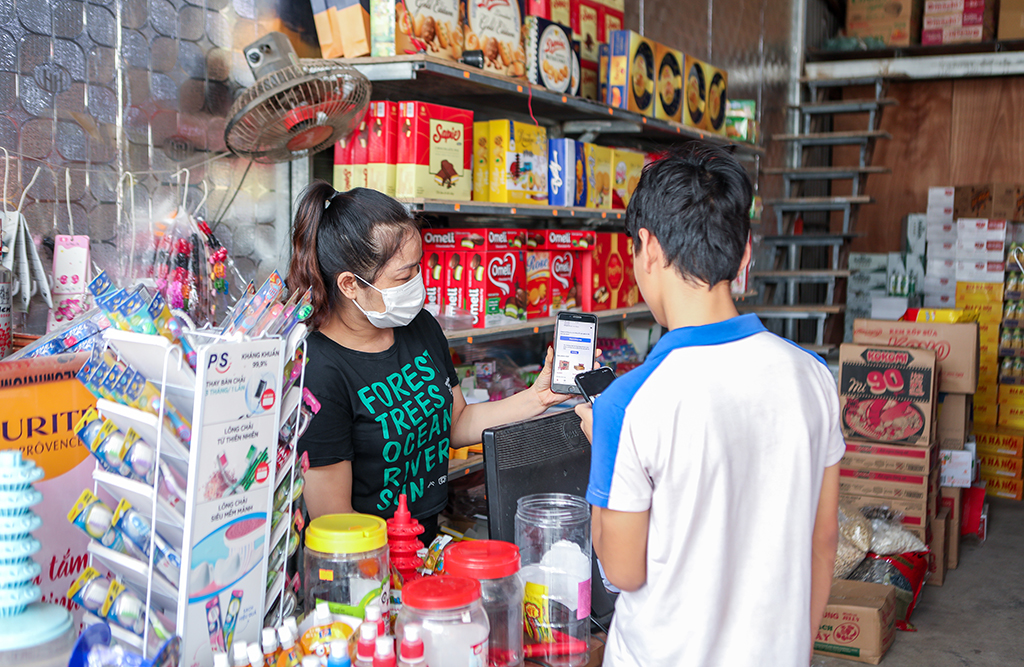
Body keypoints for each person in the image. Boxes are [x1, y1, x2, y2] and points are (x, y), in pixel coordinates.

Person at [574, 146, 843, 666]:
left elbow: (624, 571)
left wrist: (603, 452)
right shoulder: (813, 377)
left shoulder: (628, 403)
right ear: (744, 254)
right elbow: (824, 540)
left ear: (647, 247)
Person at [289, 183, 570, 543]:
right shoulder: (319, 369)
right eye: (403, 277)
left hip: (427, 539)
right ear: (349, 285)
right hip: (371, 563)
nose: (418, 285)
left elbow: (458, 423)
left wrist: (539, 397)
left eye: (418, 268)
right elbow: (334, 520)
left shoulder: (417, 326)